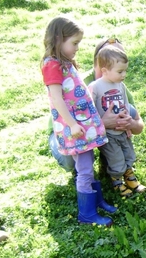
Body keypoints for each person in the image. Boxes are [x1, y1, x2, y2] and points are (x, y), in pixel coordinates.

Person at [41, 16, 115, 226]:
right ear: (58, 39)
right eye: (74, 43)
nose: (77, 48)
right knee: (84, 169)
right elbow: (56, 98)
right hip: (74, 127)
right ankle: (87, 213)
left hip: (83, 125)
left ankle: (97, 200)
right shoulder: (52, 65)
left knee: (87, 163)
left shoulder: (63, 63)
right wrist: (73, 124)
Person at [47, 38, 144, 175]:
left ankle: (113, 161)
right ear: (101, 61)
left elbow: (139, 124)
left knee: (130, 110)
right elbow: (69, 121)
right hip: (66, 130)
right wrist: (102, 123)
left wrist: (130, 124)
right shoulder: (80, 83)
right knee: (70, 162)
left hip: (101, 132)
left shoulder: (118, 84)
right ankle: (83, 167)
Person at [89, 45, 146, 197]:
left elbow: (125, 104)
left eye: (125, 71)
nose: (124, 74)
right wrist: (99, 124)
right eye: (120, 71)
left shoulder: (120, 85)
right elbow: (90, 110)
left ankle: (129, 176)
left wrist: (128, 122)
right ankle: (117, 181)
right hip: (108, 134)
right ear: (105, 70)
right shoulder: (95, 87)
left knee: (128, 154)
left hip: (122, 129)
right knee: (115, 158)